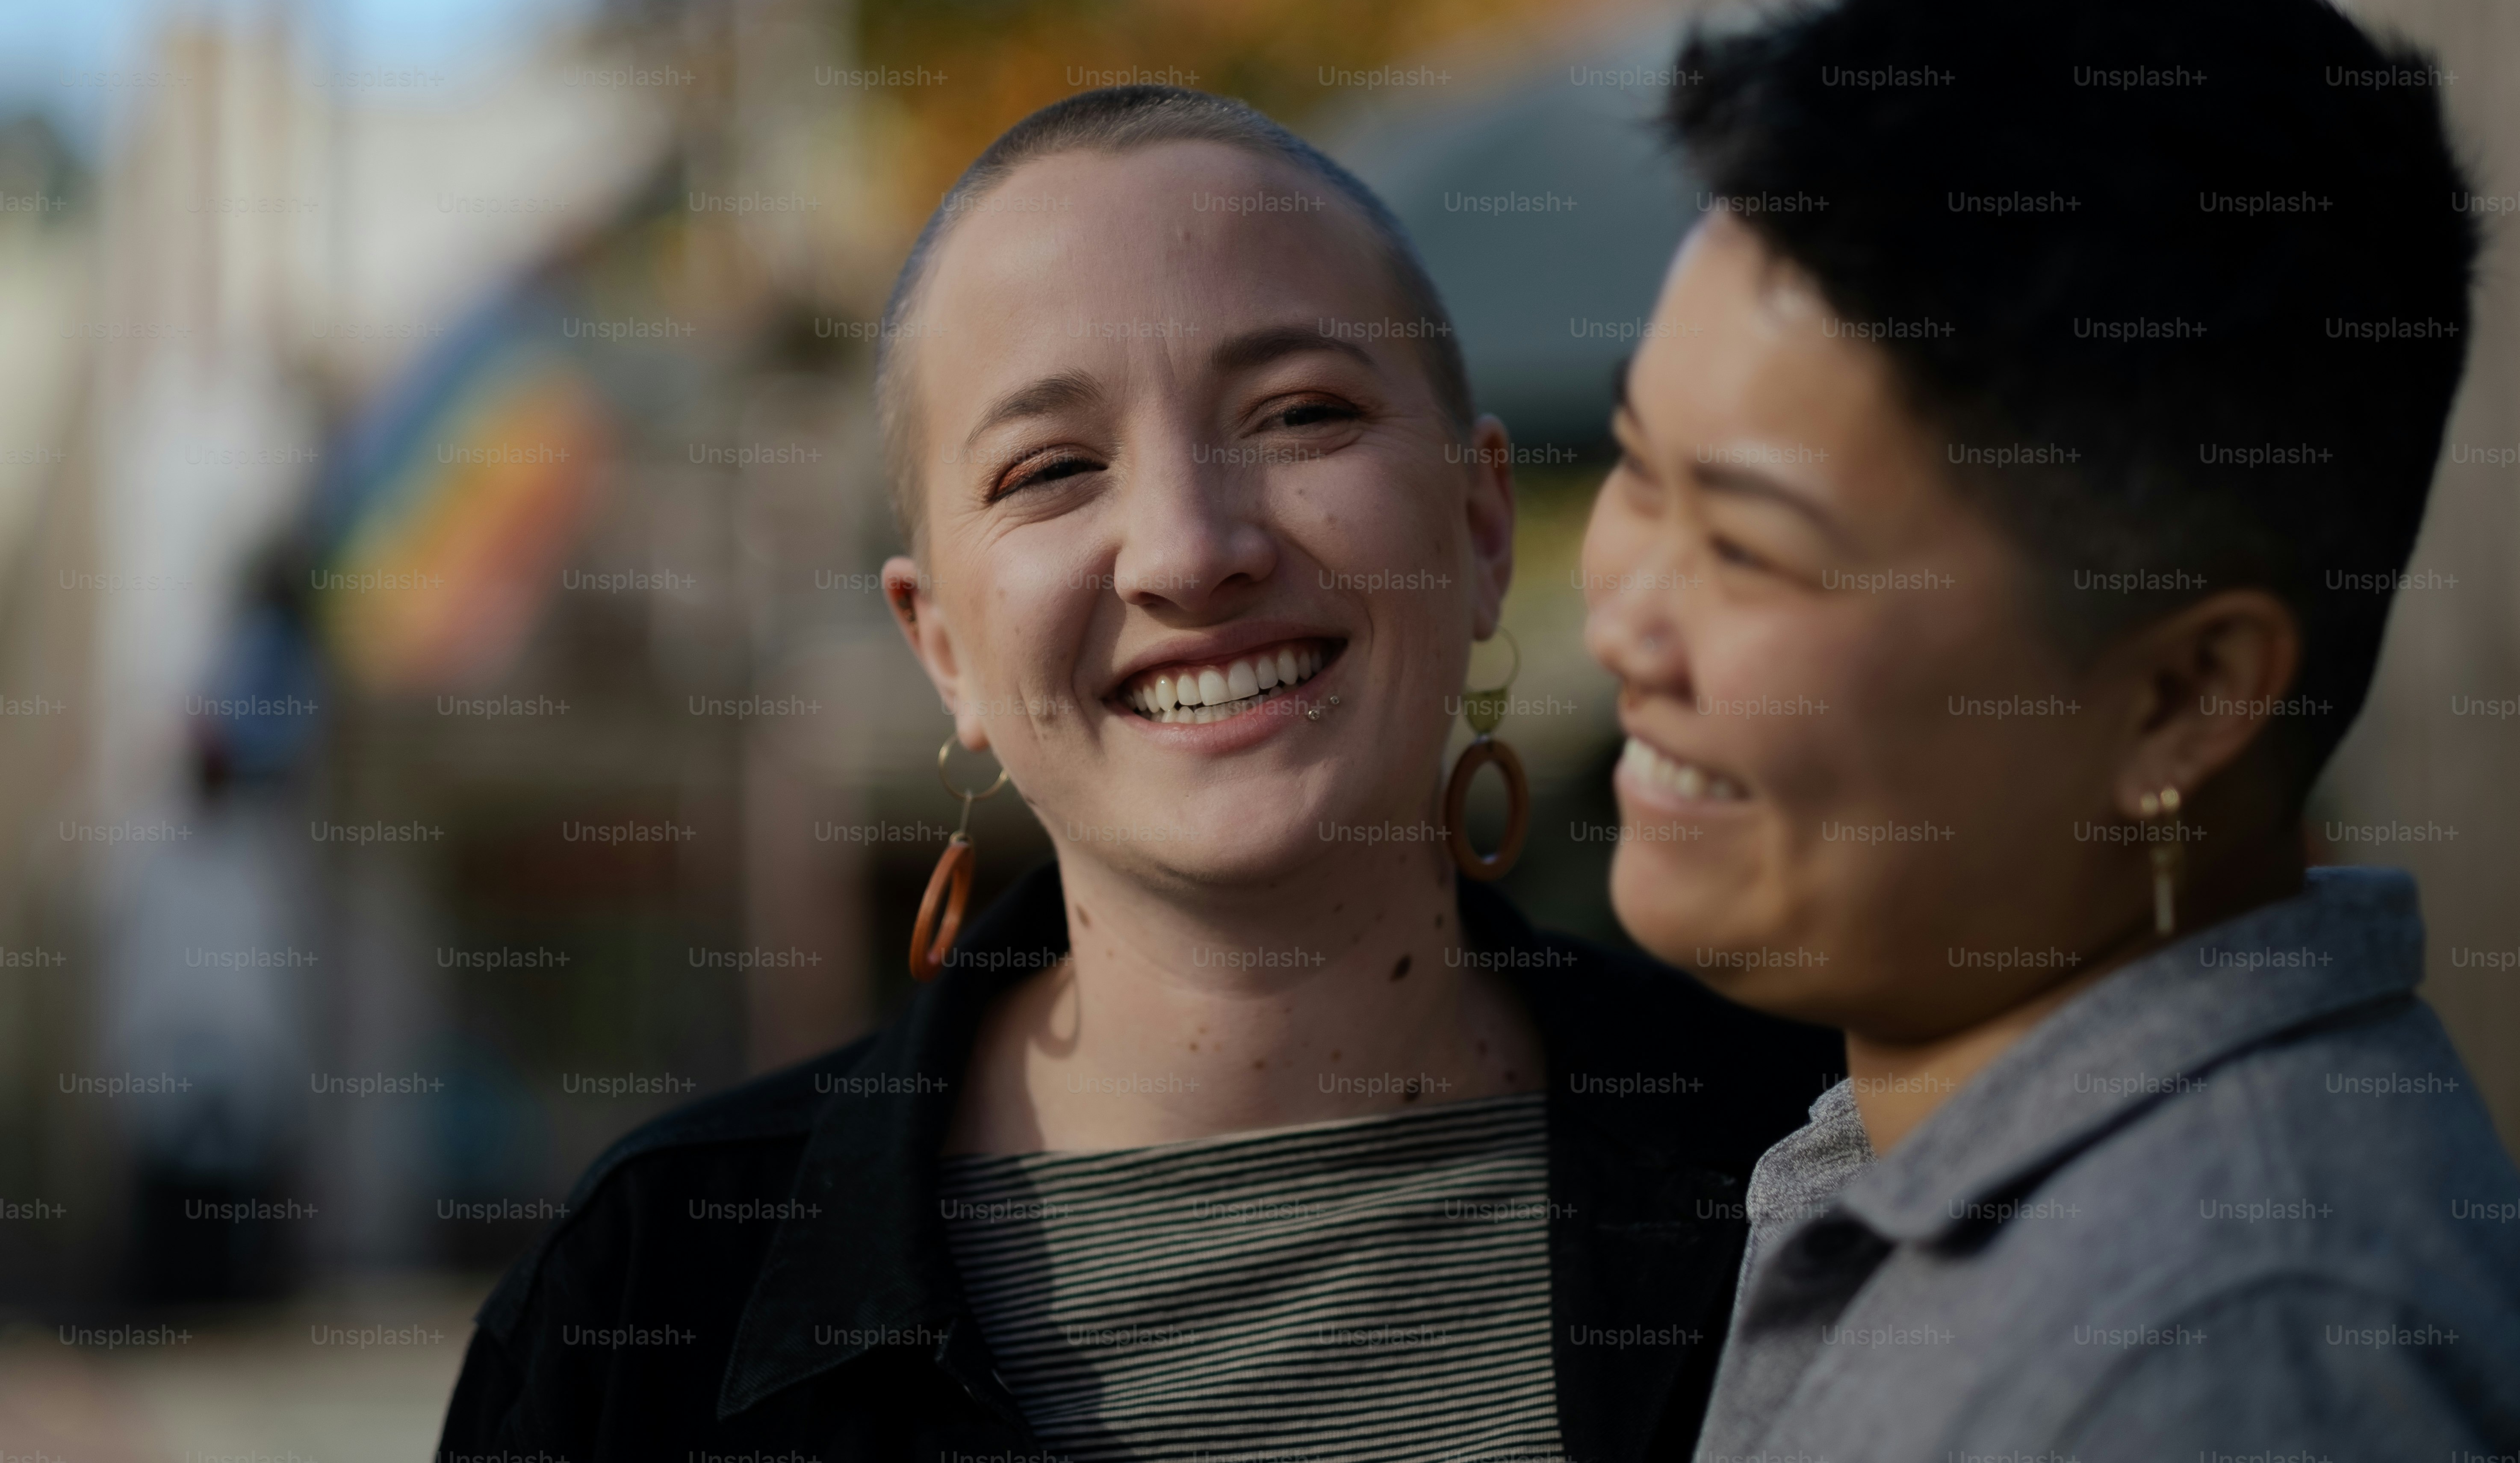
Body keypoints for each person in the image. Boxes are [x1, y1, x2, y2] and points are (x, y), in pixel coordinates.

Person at [441, 86, 1839, 1461]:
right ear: (943, 647)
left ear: (1480, 527)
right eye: (1050, 468)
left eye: (1298, 414)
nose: (1188, 548)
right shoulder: (646, 1308)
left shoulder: (1824, 1166)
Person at [1579, 0, 2520, 1462]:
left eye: (1747, 548)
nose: (1625, 619)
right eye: (1633, 469)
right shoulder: (1938, 1148)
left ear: (2181, 699)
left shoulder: (2214, 1362)